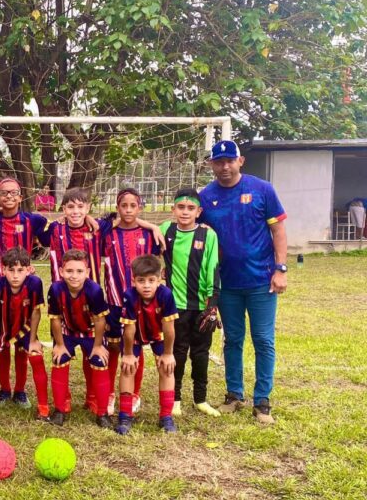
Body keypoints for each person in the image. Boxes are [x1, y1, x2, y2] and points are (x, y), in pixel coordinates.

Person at [199, 140, 287, 425]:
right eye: (218, 161)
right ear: (211, 164)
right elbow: (187, 225)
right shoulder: (206, 196)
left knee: (263, 339)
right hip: (226, 284)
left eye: (229, 161)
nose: (224, 167)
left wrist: (280, 268)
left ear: (240, 161)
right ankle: (234, 394)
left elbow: (278, 230)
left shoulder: (262, 189)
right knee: (232, 339)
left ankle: (262, 401)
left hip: (262, 280)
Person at [39, 187, 108, 415]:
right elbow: (33, 226)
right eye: (70, 206)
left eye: (81, 207)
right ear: (63, 209)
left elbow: (122, 220)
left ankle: (93, 398)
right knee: (60, 355)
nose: (76, 211)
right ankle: (63, 402)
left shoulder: (97, 228)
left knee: (95, 356)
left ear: (88, 208)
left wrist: (151, 226)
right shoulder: (56, 228)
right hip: (63, 303)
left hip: (91, 303)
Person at [160, 188, 221, 417]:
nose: (185, 212)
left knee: (201, 352)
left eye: (190, 208)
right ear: (173, 209)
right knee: (177, 352)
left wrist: (212, 305)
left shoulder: (208, 235)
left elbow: (213, 269)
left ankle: (200, 399)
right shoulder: (166, 230)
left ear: (199, 211)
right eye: (181, 207)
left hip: (201, 306)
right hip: (175, 306)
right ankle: (175, 398)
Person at [0, 177, 48, 409]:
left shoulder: (31, 219)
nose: (9, 196)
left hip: (23, 290)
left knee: (22, 343)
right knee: (3, 343)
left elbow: (50, 231)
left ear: (21, 196)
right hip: (0, 289)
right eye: (4, 193)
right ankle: (4, 388)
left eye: (14, 193)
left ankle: (20, 390)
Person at [102, 188, 161, 416]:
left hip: (141, 303)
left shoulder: (149, 235)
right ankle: (108, 393)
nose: (128, 210)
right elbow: (95, 224)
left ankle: (134, 392)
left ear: (139, 207)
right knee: (114, 346)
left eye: (132, 206)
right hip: (115, 300)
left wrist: (151, 226)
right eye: (123, 206)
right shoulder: (108, 233)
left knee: (136, 347)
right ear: (117, 208)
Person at [0, 247, 49, 422]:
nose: (15, 275)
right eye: (11, 270)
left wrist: (33, 340)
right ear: (3, 270)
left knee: (34, 355)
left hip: (24, 323)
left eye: (20, 270)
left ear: (28, 269)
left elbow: (36, 312)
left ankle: (33, 400)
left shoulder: (35, 283)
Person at [47, 249, 112, 428]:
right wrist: (59, 344)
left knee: (99, 361)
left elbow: (100, 320)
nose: (74, 276)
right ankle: (61, 408)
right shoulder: (55, 288)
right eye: (69, 271)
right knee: (59, 358)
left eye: (79, 271)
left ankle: (101, 410)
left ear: (88, 272)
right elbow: (55, 319)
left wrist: (98, 346)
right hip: (67, 331)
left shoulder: (94, 290)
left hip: (91, 333)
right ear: (61, 271)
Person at [115, 254, 179, 435]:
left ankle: (166, 416)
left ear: (159, 279)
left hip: (158, 335)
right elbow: (129, 329)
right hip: (135, 335)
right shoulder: (129, 295)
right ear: (133, 280)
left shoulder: (166, 294)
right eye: (141, 281)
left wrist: (168, 354)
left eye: (152, 280)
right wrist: (127, 354)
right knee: (128, 368)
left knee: (167, 368)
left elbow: (169, 328)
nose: (147, 285)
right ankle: (125, 415)